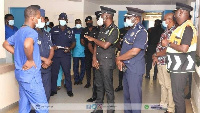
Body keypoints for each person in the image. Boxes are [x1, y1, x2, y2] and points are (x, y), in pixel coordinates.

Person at [3, 5, 48, 113]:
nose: (40, 19)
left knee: (24, 104)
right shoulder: (31, 32)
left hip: (21, 74)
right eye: (39, 17)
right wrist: (30, 60)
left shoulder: (19, 31)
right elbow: (27, 45)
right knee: (43, 108)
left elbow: (5, 44)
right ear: (32, 18)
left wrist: (19, 53)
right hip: (31, 76)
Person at [162, 2, 197, 113]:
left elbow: (184, 48)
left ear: (181, 12)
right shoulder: (181, 27)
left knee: (178, 98)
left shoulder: (187, 28)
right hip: (177, 67)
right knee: (177, 96)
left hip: (181, 68)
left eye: (175, 12)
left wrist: (168, 43)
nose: (174, 15)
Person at [85, 6, 119, 113]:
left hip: (106, 62)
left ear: (107, 16)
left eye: (101, 15)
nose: (100, 17)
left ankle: (110, 110)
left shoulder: (114, 30)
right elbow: (96, 45)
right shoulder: (102, 29)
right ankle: (98, 109)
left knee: (108, 87)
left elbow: (105, 45)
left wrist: (93, 39)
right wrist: (94, 59)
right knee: (98, 86)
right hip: (98, 61)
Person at [116, 7, 147, 113]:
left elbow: (134, 51)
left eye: (129, 17)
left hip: (134, 69)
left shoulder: (141, 32)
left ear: (137, 18)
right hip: (127, 68)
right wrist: (120, 60)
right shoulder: (130, 31)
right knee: (127, 97)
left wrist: (118, 58)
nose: (127, 19)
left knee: (135, 99)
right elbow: (124, 49)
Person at [151, 13, 176, 113]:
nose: (164, 21)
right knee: (162, 84)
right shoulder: (167, 30)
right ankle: (163, 104)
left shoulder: (174, 31)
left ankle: (170, 108)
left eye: (166, 19)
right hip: (160, 61)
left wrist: (156, 55)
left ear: (170, 20)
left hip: (167, 61)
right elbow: (160, 45)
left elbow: (168, 49)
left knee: (169, 85)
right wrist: (155, 55)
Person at [50, 13, 75, 97]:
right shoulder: (53, 30)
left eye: (64, 19)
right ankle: (53, 90)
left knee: (67, 73)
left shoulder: (70, 30)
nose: (62, 20)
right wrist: (53, 46)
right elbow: (49, 41)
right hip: (55, 55)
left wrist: (70, 48)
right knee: (54, 73)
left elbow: (74, 43)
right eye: (61, 19)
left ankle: (69, 90)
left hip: (65, 55)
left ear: (66, 20)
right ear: (58, 19)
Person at [35, 9, 54, 102]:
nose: (44, 21)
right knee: (35, 91)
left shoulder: (47, 34)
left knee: (47, 90)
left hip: (47, 67)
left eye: (43, 19)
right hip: (36, 67)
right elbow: (28, 52)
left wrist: (48, 60)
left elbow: (51, 49)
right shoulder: (31, 33)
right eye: (41, 19)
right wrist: (44, 60)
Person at [87, 11, 102, 102]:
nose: (98, 20)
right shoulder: (95, 30)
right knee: (96, 78)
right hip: (95, 58)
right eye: (97, 18)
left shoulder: (109, 30)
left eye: (100, 18)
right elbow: (90, 44)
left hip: (105, 59)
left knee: (106, 80)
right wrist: (95, 56)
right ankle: (95, 96)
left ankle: (105, 97)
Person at [115, 17, 130, 92]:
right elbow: (117, 42)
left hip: (130, 54)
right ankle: (120, 85)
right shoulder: (120, 30)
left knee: (129, 70)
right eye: (125, 21)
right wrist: (121, 49)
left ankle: (128, 86)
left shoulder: (132, 31)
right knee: (121, 70)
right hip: (120, 52)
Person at [81, 16, 96, 88]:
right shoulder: (84, 30)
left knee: (95, 68)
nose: (89, 22)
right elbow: (82, 41)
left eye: (90, 21)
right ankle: (88, 82)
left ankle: (95, 83)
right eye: (87, 21)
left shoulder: (96, 29)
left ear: (92, 21)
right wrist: (87, 46)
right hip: (87, 52)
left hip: (96, 52)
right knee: (88, 67)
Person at [72, 19, 85, 85]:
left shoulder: (84, 30)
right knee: (75, 66)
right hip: (75, 51)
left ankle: (81, 79)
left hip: (83, 51)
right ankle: (76, 79)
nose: (78, 24)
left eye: (79, 23)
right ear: (75, 23)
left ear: (81, 23)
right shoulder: (72, 30)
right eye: (77, 23)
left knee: (83, 66)